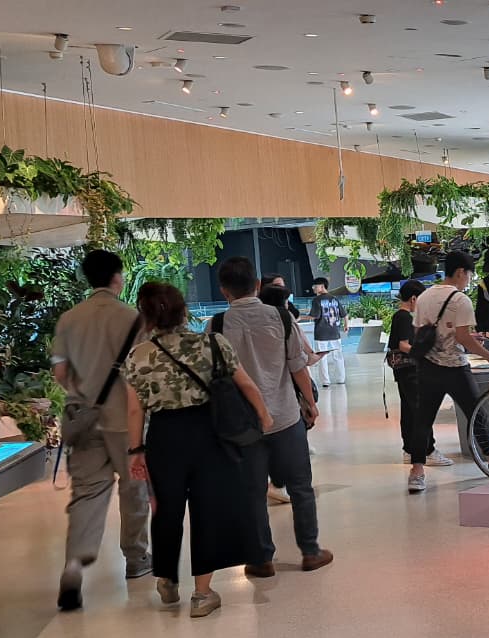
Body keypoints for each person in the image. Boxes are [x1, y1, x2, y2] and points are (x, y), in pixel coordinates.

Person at [123, 282, 271, 618]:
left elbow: (134, 410)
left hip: (164, 437)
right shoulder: (212, 343)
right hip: (209, 434)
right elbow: (246, 384)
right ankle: (202, 595)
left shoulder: (138, 356)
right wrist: (264, 417)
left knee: (166, 509)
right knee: (208, 511)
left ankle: (166, 578)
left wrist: (136, 450)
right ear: (183, 310)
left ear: (147, 316)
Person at [211, 257, 333, 575]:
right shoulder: (280, 317)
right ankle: (310, 552)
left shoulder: (216, 325)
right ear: (256, 285)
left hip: (243, 425)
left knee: (252, 492)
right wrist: (310, 403)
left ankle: (261, 558)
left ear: (223, 290)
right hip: (285, 417)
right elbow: (297, 366)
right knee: (300, 486)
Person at [50, 250, 152, 612]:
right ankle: (136, 558)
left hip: (85, 419)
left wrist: (82, 393)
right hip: (126, 422)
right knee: (134, 489)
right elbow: (143, 372)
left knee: (87, 493)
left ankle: (74, 564)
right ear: (117, 277)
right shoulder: (133, 319)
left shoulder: (69, 319)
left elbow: (60, 373)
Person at [407, 251, 489, 493]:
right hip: (455, 368)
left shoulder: (424, 297)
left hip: (428, 368)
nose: (469, 280)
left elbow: (419, 332)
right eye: (470, 275)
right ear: (461, 272)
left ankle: (417, 473)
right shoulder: (461, 300)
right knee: (476, 414)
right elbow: (462, 337)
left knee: (423, 420)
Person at [389, 280, 454, 468]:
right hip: (410, 370)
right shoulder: (404, 317)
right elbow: (403, 345)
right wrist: (423, 353)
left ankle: (409, 450)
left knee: (409, 410)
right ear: (413, 298)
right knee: (421, 411)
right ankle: (428, 450)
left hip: (402, 371)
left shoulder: (399, 316)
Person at [259, 284, 314, 503]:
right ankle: (278, 482)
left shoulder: (225, 323)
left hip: (248, 408)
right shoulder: (284, 319)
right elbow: (298, 364)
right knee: (292, 456)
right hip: (285, 400)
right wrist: (310, 402)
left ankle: (272, 483)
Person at [307, 277, 347, 387]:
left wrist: (299, 317)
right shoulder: (334, 299)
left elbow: (314, 316)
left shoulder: (317, 300)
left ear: (321, 286)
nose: (313, 288)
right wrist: (346, 325)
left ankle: (325, 381)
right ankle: (341, 378)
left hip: (321, 333)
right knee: (338, 356)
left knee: (322, 357)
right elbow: (344, 314)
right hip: (335, 332)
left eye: (315, 286)